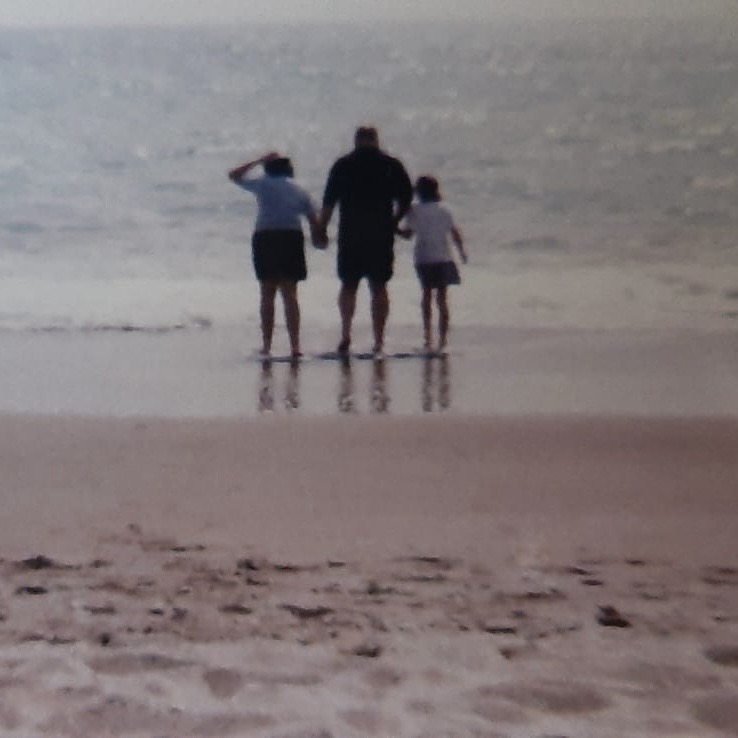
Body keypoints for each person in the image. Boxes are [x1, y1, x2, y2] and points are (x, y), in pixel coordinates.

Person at [319, 127, 413, 358]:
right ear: (376, 140)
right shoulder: (390, 165)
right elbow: (406, 199)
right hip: (380, 233)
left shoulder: (343, 165)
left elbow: (329, 201)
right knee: (379, 286)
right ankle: (378, 340)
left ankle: (345, 334)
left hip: (350, 232)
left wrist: (321, 228)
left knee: (348, 285)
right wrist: (394, 222)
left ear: (356, 140)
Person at [228, 152, 321, 359]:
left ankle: (267, 346)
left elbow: (234, 175)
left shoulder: (263, 183)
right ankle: (295, 346)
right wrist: (319, 239)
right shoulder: (299, 188)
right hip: (291, 236)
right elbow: (313, 219)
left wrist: (258, 160)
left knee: (267, 293)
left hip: (266, 236)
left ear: (268, 169)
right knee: (290, 294)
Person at [398, 175, 467, 355]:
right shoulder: (445, 209)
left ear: (418, 191)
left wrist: (393, 228)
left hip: (423, 258)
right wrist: (462, 252)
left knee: (426, 296)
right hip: (444, 258)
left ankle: (427, 338)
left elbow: (407, 235)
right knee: (442, 299)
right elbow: (455, 233)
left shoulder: (414, 210)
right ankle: (443, 341)